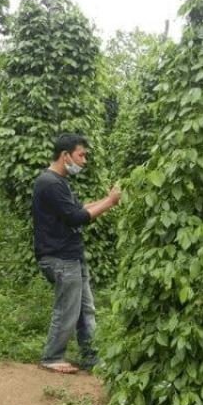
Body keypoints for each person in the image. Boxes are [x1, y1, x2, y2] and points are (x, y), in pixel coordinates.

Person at [33, 133, 121, 374]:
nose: (84, 161)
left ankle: (91, 357)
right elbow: (76, 217)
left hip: (72, 256)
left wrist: (107, 199)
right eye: (81, 155)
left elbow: (79, 209)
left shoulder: (60, 182)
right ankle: (52, 357)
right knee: (67, 310)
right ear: (65, 155)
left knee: (86, 310)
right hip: (59, 257)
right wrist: (110, 203)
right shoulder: (49, 182)